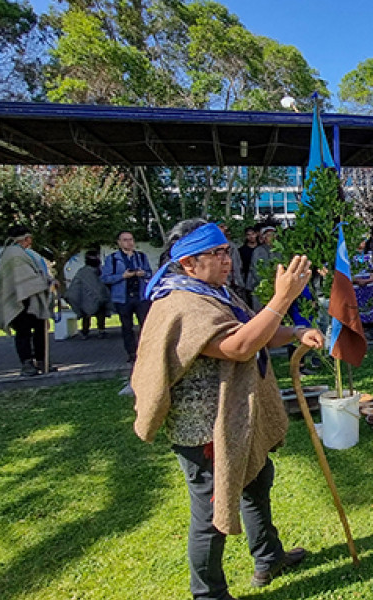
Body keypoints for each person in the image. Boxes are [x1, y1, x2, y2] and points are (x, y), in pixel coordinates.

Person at [131, 219, 324, 600]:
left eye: (226, 251)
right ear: (188, 262)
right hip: (204, 430)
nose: (227, 260)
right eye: (216, 253)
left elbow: (255, 328)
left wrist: (295, 333)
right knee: (209, 516)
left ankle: (268, 557)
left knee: (257, 481)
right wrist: (282, 299)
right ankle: (208, 595)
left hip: (236, 418)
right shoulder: (181, 303)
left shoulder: (211, 292)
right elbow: (237, 346)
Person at [0, 225, 55, 376]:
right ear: (24, 239)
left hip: (33, 300)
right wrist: (45, 282)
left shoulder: (24, 253)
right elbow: (25, 279)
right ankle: (27, 363)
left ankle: (41, 360)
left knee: (40, 330)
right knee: (24, 333)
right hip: (20, 301)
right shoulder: (14, 255)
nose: (31, 240)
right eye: (29, 238)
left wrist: (48, 280)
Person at [101, 230, 152, 362]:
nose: (129, 242)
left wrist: (142, 273)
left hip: (140, 296)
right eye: (125, 240)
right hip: (122, 298)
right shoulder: (112, 259)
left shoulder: (140, 256)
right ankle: (131, 353)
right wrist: (122, 276)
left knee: (145, 325)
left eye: (131, 239)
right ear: (119, 243)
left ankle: (146, 351)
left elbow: (149, 273)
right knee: (126, 327)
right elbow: (105, 278)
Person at [65, 249, 112, 340]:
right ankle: (87, 331)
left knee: (99, 313)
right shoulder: (84, 272)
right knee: (88, 313)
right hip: (87, 297)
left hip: (98, 297)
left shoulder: (98, 270)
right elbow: (76, 286)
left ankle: (98, 330)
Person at [351, 238, 373, 337]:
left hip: (369, 285)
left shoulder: (370, 254)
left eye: (363, 241)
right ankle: (358, 330)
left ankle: (368, 330)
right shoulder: (349, 255)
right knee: (357, 308)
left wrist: (369, 279)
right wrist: (356, 280)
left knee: (369, 306)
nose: (361, 243)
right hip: (355, 286)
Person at [246, 225, 277, 310]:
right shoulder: (258, 251)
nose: (271, 237)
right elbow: (256, 270)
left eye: (273, 235)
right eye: (268, 235)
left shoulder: (279, 250)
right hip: (258, 287)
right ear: (263, 238)